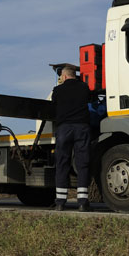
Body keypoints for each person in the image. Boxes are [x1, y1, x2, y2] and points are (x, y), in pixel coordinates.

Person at [52, 64, 92, 212]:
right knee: (82, 164)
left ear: (63, 76)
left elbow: (53, 104)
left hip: (64, 129)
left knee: (62, 163)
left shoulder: (58, 90)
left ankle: (60, 202)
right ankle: (82, 202)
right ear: (74, 75)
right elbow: (90, 100)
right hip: (82, 128)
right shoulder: (84, 87)